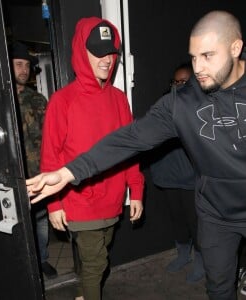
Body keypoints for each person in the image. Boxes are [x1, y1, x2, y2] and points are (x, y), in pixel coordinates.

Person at [26, 10, 246, 300]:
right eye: (193, 57)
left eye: (207, 56)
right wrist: (68, 173)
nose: (198, 67)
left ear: (235, 48)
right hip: (216, 213)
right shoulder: (182, 103)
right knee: (219, 289)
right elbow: (129, 140)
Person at [38, 17, 144, 300]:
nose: (107, 59)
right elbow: (51, 156)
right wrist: (54, 204)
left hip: (111, 199)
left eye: (111, 51)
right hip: (79, 201)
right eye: (98, 51)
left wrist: (136, 190)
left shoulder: (119, 99)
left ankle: (86, 293)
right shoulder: (62, 101)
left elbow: (131, 149)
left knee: (97, 257)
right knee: (97, 262)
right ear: (80, 53)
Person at [150, 62, 204, 283]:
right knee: (178, 221)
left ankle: (201, 263)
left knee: (196, 224)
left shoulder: (201, 105)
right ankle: (183, 255)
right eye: (175, 81)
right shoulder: (163, 105)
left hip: (192, 180)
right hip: (168, 177)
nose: (178, 85)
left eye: (184, 81)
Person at [10, 41, 57, 279]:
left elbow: (51, 137)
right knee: (16, 225)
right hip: (11, 177)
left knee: (39, 222)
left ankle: (42, 261)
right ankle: (21, 270)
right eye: (18, 64)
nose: (23, 70)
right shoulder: (1, 101)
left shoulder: (38, 100)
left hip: (37, 175)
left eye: (26, 66)